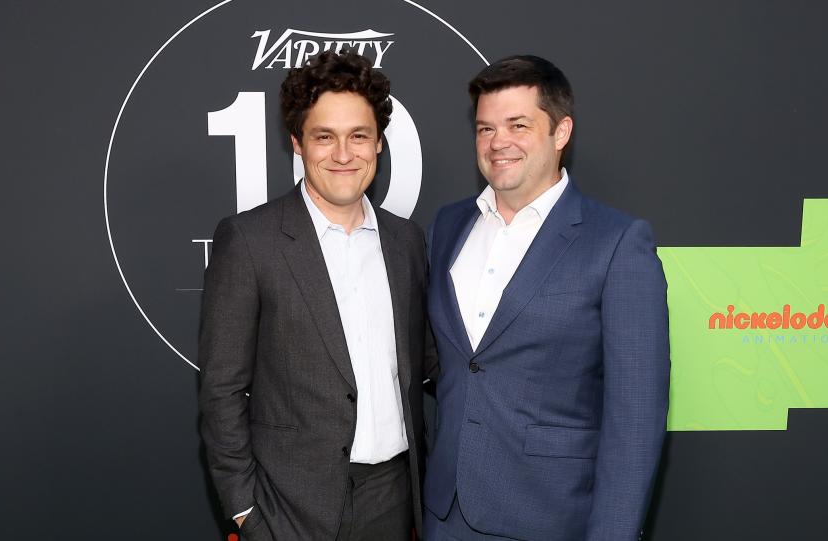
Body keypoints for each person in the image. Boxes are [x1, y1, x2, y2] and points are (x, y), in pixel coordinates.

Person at [423, 55, 671, 541]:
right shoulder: (446, 227)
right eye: (485, 128)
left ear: (561, 133)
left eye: (518, 125)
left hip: (552, 519)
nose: (498, 143)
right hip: (445, 515)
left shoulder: (617, 242)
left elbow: (636, 417)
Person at [198, 50, 435, 541]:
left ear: (379, 144)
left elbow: (430, 361)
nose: (344, 154)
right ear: (297, 144)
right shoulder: (250, 241)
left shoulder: (406, 241)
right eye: (324, 137)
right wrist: (246, 513)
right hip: (288, 507)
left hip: (395, 499)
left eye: (359, 136)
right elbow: (221, 391)